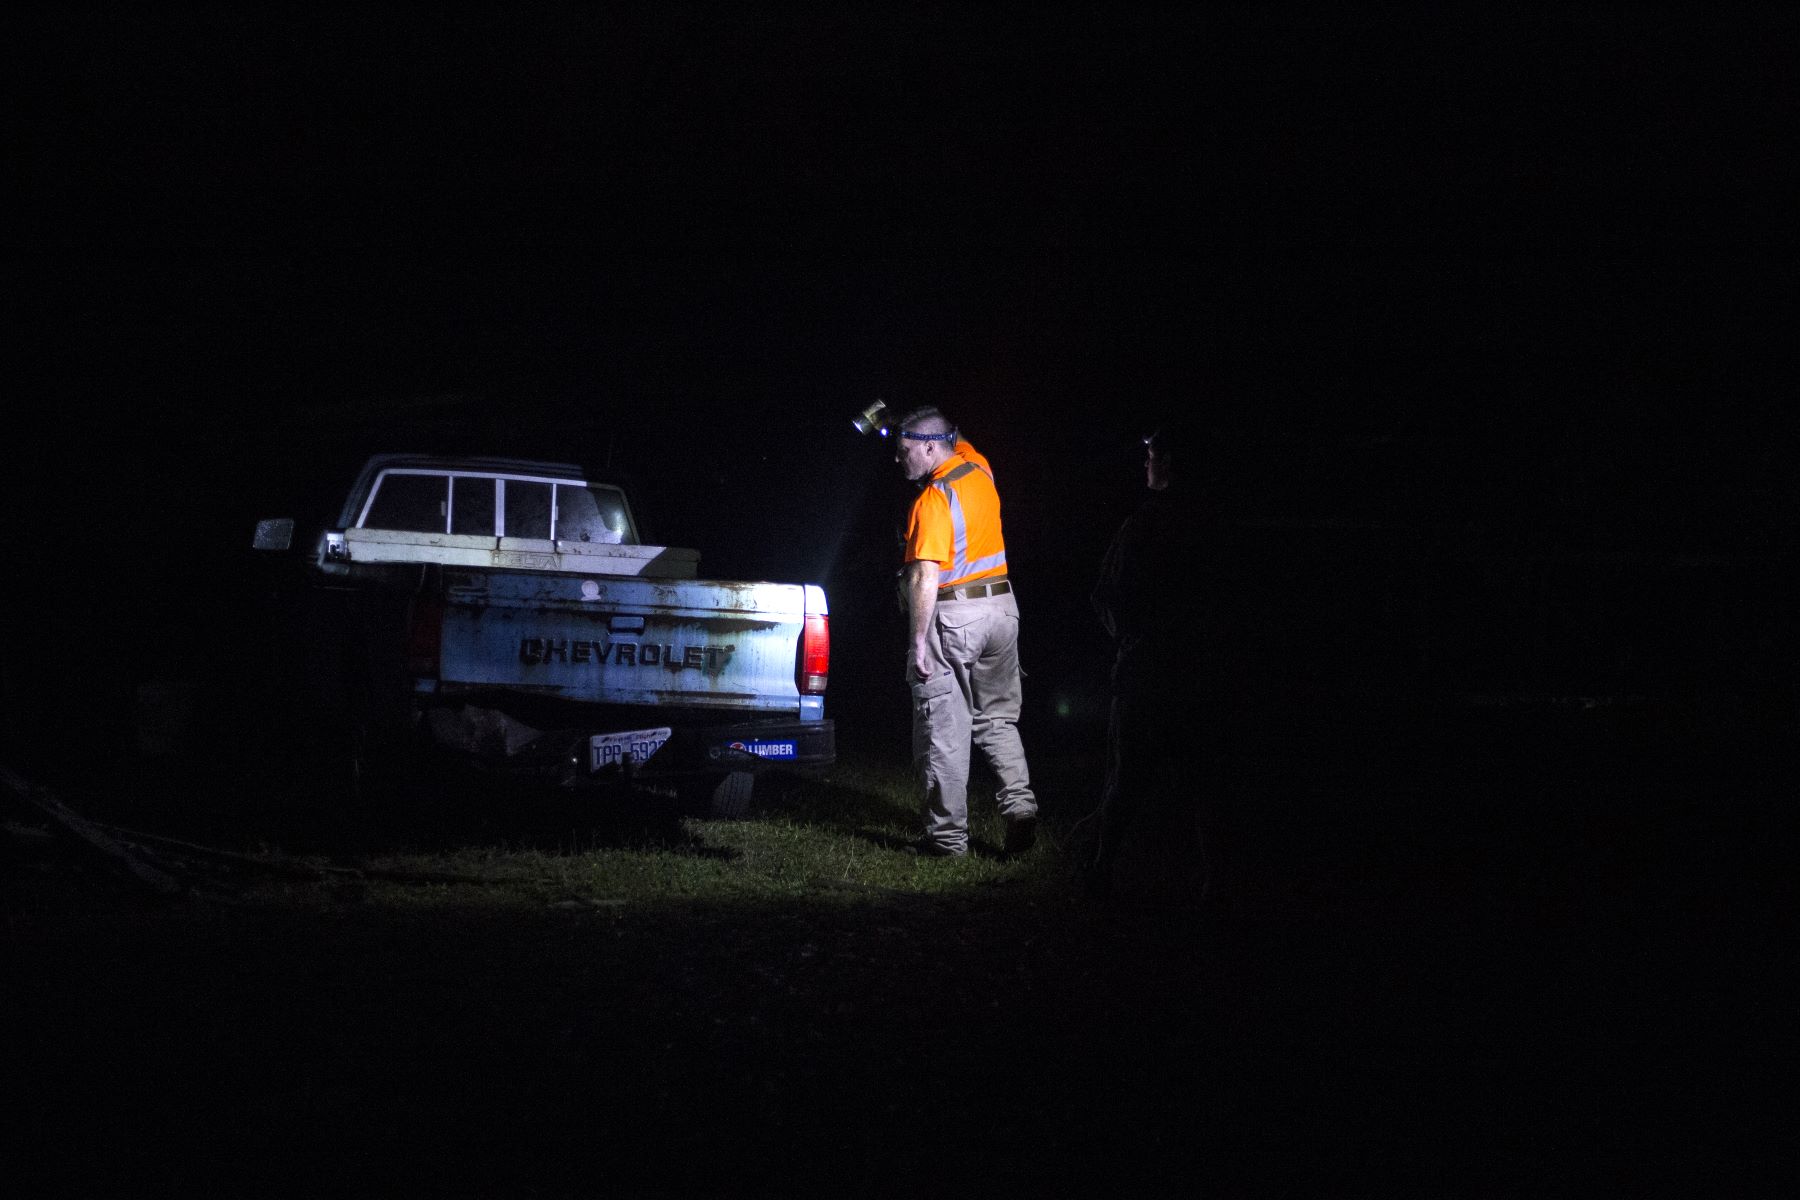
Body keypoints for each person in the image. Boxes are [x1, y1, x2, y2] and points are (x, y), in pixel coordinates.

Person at [1084, 416, 1226, 900]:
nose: (1145, 466)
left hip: (1150, 672)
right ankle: (1215, 879)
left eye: (1150, 458)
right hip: (1201, 671)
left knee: (1128, 777)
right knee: (1206, 781)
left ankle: (1102, 871)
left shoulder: (1145, 525)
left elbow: (1108, 595)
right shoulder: (1216, 524)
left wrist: (1130, 639)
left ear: (1167, 464)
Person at [892, 405, 1038, 857]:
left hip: (955, 617)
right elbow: (950, 433)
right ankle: (1020, 807)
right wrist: (894, 426)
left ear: (932, 447)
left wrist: (918, 642)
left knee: (943, 728)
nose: (899, 461)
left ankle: (946, 841)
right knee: (997, 719)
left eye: (904, 451)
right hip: (1003, 611)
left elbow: (924, 577)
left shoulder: (932, 499)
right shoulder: (979, 467)